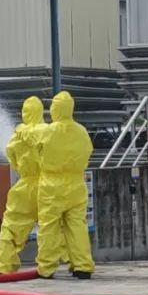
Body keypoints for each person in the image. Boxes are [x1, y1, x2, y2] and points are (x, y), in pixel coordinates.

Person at [35, 90, 95, 280]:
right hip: (76, 184)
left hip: (51, 185)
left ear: (55, 108)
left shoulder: (47, 131)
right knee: (77, 226)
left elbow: (34, 150)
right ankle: (83, 266)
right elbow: (88, 151)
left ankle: (47, 268)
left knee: (49, 227)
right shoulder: (81, 131)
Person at [0, 96, 47, 274]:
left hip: (24, 186)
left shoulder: (17, 136)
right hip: (48, 186)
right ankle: (49, 266)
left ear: (24, 113)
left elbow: (12, 159)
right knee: (53, 227)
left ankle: (3, 264)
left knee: (12, 225)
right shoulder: (49, 132)